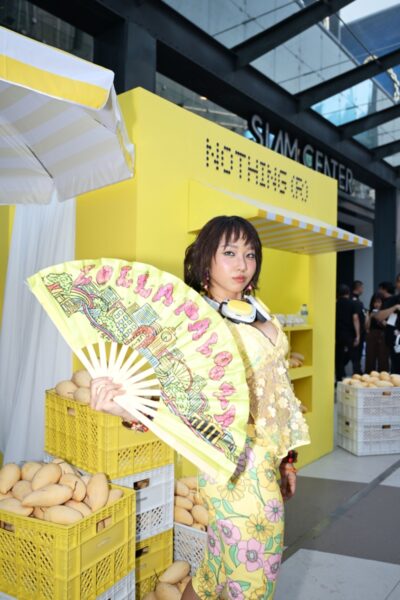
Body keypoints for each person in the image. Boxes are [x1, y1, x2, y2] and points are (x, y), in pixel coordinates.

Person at [90, 215, 310, 599]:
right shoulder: (196, 324)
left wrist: (287, 459)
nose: (243, 264)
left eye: (250, 254)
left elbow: (278, 390)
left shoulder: (253, 306)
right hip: (235, 468)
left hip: (266, 459)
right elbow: (173, 395)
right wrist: (123, 408)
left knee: (215, 570)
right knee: (253, 582)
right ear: (206, 258)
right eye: (230, 253)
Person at [335, 284, 360, 381]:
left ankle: (340, 377)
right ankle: (356, 376)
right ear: (348, 293)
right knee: (353, 356)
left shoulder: (335, 304)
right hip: (349, 334)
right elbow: (355, 318)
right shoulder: (352, 303)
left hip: (338, 334)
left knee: (339, 356)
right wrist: (358, 335)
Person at [364, 293, 389, 373]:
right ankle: (369, 374)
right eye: (375, 302)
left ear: (382, 302)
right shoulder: (369, 312)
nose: (376, 304)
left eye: (379, 302)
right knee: (370, 356)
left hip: (383, 336)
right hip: (371, 335)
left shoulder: (386, 311)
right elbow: (366, 327)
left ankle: (383, 374)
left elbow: (388, 326)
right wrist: (370, 317)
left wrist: (379, 318)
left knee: (383, 357)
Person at [351, 280, 366, 374]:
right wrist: (358, 335)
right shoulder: (355, 301)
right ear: (358, 287)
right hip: (356, 332)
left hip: (356, 332)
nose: (363, 289)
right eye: (362, 287)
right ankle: (357, 372)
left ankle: (357, 371)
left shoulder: (355, 300)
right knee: (356, 354)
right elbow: (355, 318)